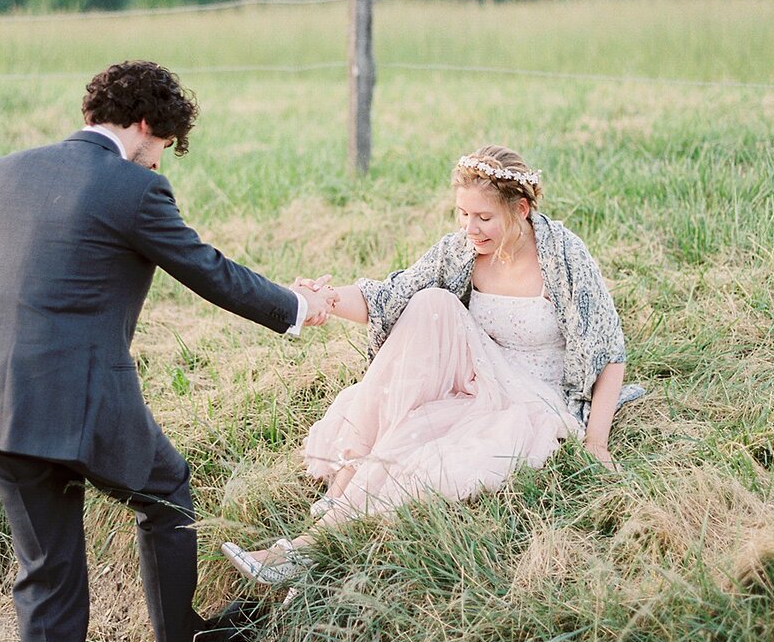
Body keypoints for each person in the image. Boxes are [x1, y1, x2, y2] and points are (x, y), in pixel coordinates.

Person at [0, 59, 333, 642]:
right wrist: (299, 308)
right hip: (85, 406)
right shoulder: (134, 187)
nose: (160, 159)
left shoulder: (5, 171)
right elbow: (208, 270)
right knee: (167, 490)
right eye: (164, 145)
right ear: (146, 126)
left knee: (45, 580)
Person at [222, 145, 641, 586]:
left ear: (520, 209)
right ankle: (345, 485)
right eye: (462, 214)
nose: (470, 228)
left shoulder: (563, 255)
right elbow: (391, 296)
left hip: (530, 393)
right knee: (430, 302)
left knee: (418, 450)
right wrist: (318, 301)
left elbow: (610, 351)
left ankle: (304, 550)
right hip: (475, 376)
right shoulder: (461, 250)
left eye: (484, 218)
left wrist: (597, 443)